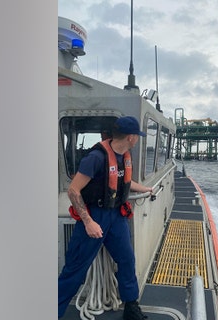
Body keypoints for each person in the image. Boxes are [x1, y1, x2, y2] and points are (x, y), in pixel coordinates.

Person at [58, 116, 152, 320]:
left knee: (126, 260)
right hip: (95, 215)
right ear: (131, 137)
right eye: (137, 136)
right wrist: (88, 222)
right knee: (74, 270)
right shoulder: (96, 158)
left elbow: (123, 183)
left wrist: (145, 188)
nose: (137, 140)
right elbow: (74, 190)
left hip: (116, 216)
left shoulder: (123, 156)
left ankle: (131, 307)